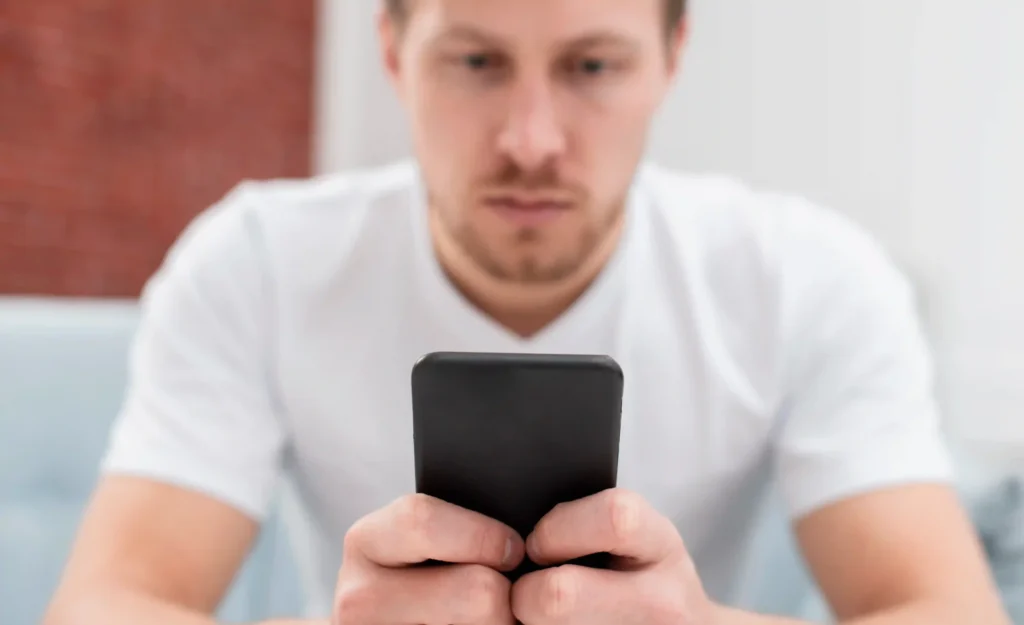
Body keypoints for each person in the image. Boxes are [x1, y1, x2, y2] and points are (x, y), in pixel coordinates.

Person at [45, 1, 1011, 624]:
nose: (532, 140)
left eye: (592, 68)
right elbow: (106, 607)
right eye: (475, 62)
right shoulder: (252, 263)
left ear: (672, 59)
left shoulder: (810, 277)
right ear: (393, 55)